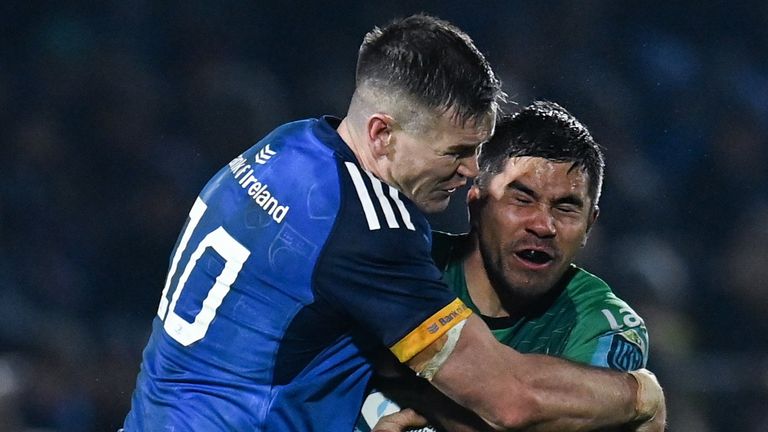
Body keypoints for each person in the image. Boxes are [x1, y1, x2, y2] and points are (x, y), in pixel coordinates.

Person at [123, 14, 664, 431]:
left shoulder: (286, 145)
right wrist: (640, 395)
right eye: (456, 151)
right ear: (382, 135)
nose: (470, 171)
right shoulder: (372, 230)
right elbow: (509, 399)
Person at [357, 101, 654, 432]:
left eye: (566, 208)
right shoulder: (399, 265)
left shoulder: (603, 326)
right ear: (476, 202)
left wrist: (416, 392)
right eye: (522, 199)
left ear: (589, 225)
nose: (543, 225)